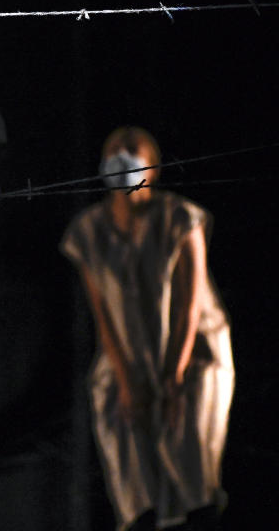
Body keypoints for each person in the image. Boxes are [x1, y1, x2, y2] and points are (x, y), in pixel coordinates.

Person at [60, 127, 234, 531]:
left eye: (131, 152)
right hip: (130, 355)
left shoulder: (180, 216)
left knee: (191, 463)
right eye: (113, 151)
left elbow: (190, 304)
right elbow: (102, 314)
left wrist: (173, 379)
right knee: (130, 459)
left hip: (193, 352)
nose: (121, 158)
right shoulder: (89, 230)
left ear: (151, 165)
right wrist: (124, 379)